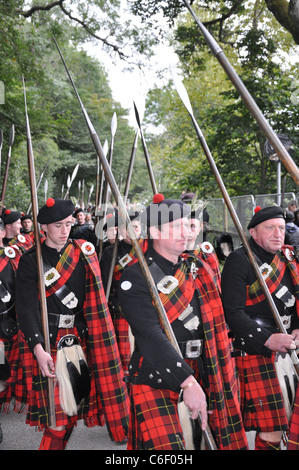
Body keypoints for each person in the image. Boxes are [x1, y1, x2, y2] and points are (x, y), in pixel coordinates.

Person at [118, 193, 248, 450]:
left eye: (188, 225)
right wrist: (187, 382)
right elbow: (149, 335)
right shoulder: (134, 276)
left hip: (202, 368)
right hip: (156, 377)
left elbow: (218, 321)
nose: (186, 232)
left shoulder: (198, 267)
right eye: (176, 226)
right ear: (154, 231)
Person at [15, 197, 129, 450]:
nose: (65, 230)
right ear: (42, 227)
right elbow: (26, 309)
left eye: (68, 224)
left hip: (82, 339)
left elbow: (95, 299)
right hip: (49, 341)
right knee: (57, 420)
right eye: (58, 225)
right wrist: (38, 347)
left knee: (71, 412)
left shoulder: (83, 253)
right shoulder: (30, 260)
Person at [221, 205, 299, 450]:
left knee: (293, 422)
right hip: (258, 349)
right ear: (253, 232)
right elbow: (233, 314)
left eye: (281, 228)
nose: (278, 234)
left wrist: (298, 327)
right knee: (272, 429)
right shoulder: (240, 261)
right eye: (270, 228)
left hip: (292, 344)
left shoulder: (288, 257)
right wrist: (268, 340)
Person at [100, 211, 143, 374]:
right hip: (121, 310)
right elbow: (105, 284)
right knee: (124, 362)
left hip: (147, 311)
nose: (132, 232)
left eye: (136, 227)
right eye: (128, 228)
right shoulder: (110, 252)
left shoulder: (150, 249)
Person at [0, 219, 24, 443]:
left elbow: (22, 291)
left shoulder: (12, 257)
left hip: (5, 325)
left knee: (2, 375)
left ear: (1, 232)